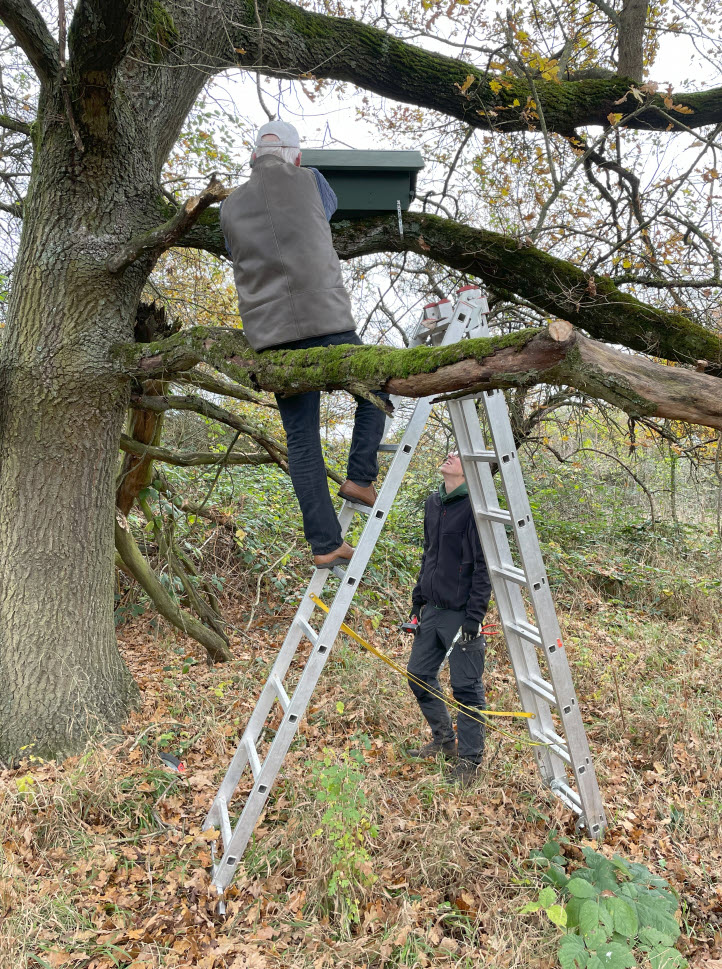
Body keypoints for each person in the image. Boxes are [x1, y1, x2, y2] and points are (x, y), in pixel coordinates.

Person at [220, 120, 390, 569]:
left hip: (271, 337)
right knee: (378, 383)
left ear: (254, 157)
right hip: (326, 320)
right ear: (295, 155)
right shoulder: (312, 179)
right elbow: (325, 214)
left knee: (301, 440)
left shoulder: (229, 206)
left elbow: (233, 247)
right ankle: (360, 477)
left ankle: (325, 544)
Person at [406, 450, 492, 785]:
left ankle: (470, 763)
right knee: (418, 674)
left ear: (470, 472)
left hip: (461, 616)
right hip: (432, 611)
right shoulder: (433, 502)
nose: (449, 455)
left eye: (458, 455)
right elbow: (429, 553)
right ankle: (444, 740)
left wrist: (475, 616)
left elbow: (484, 566)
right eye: (450, 452)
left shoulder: (473, 508)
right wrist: (418, 599)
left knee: (466, 690)